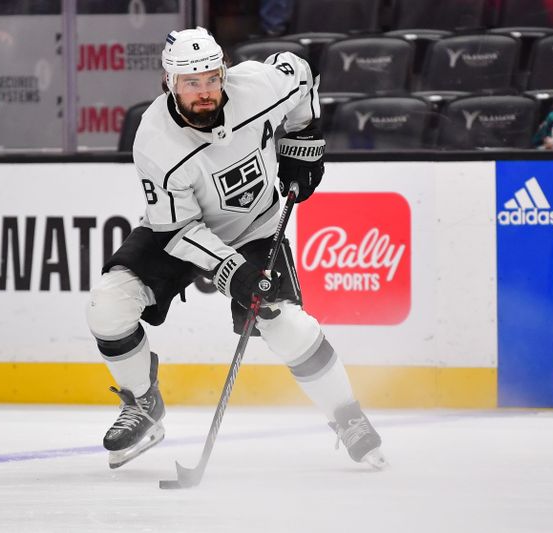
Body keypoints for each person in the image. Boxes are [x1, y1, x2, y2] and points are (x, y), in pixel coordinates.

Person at [86, 26, 385, 470]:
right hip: (179, 230)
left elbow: (302, 71)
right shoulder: (154, 140)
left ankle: (347, 416)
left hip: (256, 227)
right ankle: (143, 403)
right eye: (191, 82)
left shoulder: (257, 86)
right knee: (108, 308)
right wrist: (231, 268)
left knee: (289, 328)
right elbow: (179, 229)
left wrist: (302, 139)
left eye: (212, 77)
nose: (205, 92)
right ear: (169, 82)